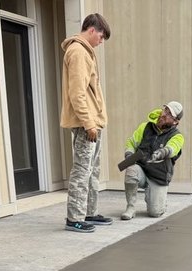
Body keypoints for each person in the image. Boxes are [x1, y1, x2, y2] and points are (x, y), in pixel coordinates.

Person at [60, 13, 112, 233]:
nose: (101, 42)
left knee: (92, 171)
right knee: (82, 171)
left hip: (92, 122)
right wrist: (89, 123)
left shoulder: (86, 52)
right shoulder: (78, 52)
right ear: (92, 30)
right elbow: (77, 93)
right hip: (86, 124)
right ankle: (75, 218)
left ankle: (88, 212)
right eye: (100, 37)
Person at [121, 102, 185, 220]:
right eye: (165, 110)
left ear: (175, 121)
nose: (164, 114)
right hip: (142, 170)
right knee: (131, 169)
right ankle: (130, 207)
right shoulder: (145, 127)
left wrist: (163, 152)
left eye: (170, 114)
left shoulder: (177, 136)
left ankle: (156, 198)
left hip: (158, 176)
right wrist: (129, 154)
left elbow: (173, 147)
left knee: (155, 213)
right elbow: (131, 142)